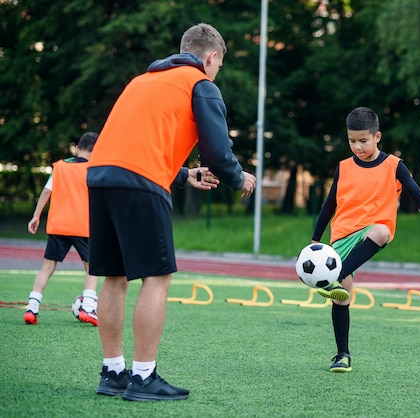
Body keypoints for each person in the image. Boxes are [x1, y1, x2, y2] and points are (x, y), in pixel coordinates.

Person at [88, 23, 256, 402]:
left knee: (114, 277)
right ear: (211, 58)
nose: (215, 74)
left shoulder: (142, 80)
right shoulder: (201, 84)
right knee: (157, 277)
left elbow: (134, 142)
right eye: (218, 67)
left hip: (100, 176)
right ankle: (144, 378)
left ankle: (113, 372)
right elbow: (216, 151)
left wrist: (184, 175)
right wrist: (238, 177)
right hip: (141, 182)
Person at [311, 107, 420, 372]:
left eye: (363, 141)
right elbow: (329, 205)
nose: (357, 146)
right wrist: (314, 241)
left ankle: (336, 275)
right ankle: (342, 355)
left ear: (377, 136)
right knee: (342, 298)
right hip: (342, 234)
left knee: (382, 232)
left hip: (372, 229)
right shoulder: (343, 167)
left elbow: (418, 195)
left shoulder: (393, 166)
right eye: (352, 141)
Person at [24, 132, 100, 326]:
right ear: (95, 149)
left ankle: (32, 308)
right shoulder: (93, 169)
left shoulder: (61, 166)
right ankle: (89, 308)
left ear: (78, 147)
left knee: (47, 267)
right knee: (92, 268)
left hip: (59, 225)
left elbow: (47, 191)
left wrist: (36, 215)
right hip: (83, 227)